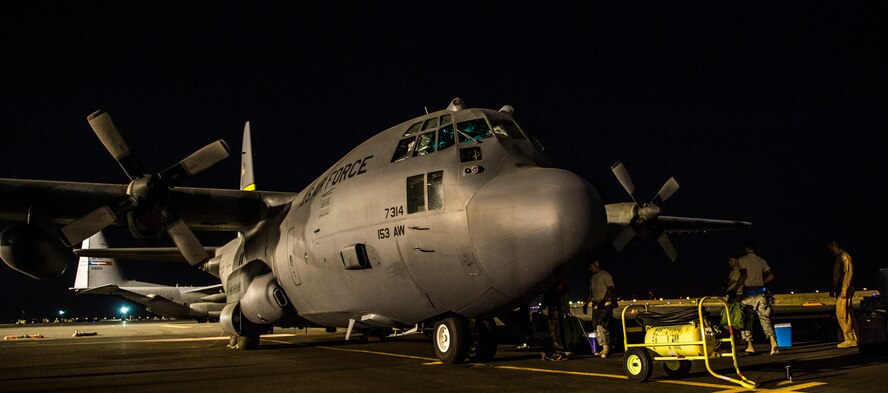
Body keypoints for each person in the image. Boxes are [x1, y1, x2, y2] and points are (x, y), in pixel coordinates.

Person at [737, 239, 779, 355]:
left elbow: (744, 274)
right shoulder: (761, 261)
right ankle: (773, 342)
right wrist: (762, 283)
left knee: (747, 321)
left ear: (746, 248)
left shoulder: (742, 260)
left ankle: (750, 345)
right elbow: (771, 275)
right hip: (761, 293)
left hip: (748, 295)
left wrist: (736, 288)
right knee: (765, 319)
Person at [829, 239, 858, 348]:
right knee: (847, 313)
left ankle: (850, 338)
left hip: (844, 290)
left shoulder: (843, 257)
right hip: (840, 289)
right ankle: (854, 337)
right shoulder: (839, 257)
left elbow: (848, 272)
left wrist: (845, 289)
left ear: (834, 246)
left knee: (842, 313)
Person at [583, 260, 615, 358]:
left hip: (605, 305)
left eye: (591, 267)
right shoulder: (593, 278)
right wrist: (586, 304)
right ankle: (603, 347)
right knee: (595, 326)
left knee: (602, 325)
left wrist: (604, 301)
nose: (590, 269)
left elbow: (610, 289)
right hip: (596, 305)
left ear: (597, 266)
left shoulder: (605, 275)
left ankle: (607, 348)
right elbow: (591, 293)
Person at [539, 280, 572, 360]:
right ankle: (556, 346)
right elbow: (546, 298)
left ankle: (559, 346)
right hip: (553, 311)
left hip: (559, 312)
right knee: (552, 329)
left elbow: (566, 300)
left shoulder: (562, 289)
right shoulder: (552, 287)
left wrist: (567, 310)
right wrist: (542, 307)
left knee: (558, 330)